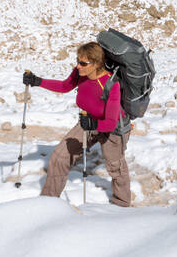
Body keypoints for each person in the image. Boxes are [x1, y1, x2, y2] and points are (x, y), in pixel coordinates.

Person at [24, 42, 132, 207]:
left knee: (115, 167)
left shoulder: (111, 84)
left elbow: (110, 123)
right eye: (77, 61)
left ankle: (122, 204)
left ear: (96, 64)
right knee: (59, 157)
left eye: (83, 63)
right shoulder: (79, 73)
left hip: (114, 128)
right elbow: (64, 86)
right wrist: (38, 81)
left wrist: (94, 123)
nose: (78, 66)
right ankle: (47, 202)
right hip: (87, 121)